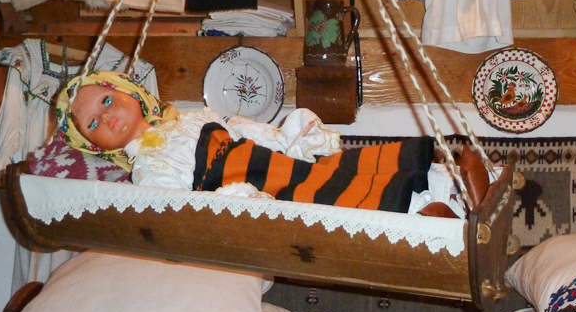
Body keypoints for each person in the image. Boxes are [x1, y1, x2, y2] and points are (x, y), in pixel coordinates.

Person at [56, 70, 469, 216]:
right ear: (96, 146)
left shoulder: (192, 118)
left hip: (275, 161)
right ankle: (428, 212)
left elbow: (244, 130)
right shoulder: (148, 169)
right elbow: (185, 209)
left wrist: (289, 138)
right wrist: (232, 198)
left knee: (346, 167)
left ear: (129, 91)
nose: (107, 117)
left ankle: (451, 184)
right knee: (337, 196)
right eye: (93, 123)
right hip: (256, 185)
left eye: (106, 100)